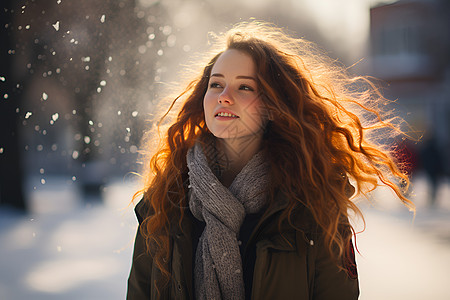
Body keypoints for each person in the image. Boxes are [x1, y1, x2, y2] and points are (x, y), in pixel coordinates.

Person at [126, 21, 414, 300]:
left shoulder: (312, 207)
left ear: (273, 107)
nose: (224, 97)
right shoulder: (164, 203)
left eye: (245, 87)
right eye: (216, 85)